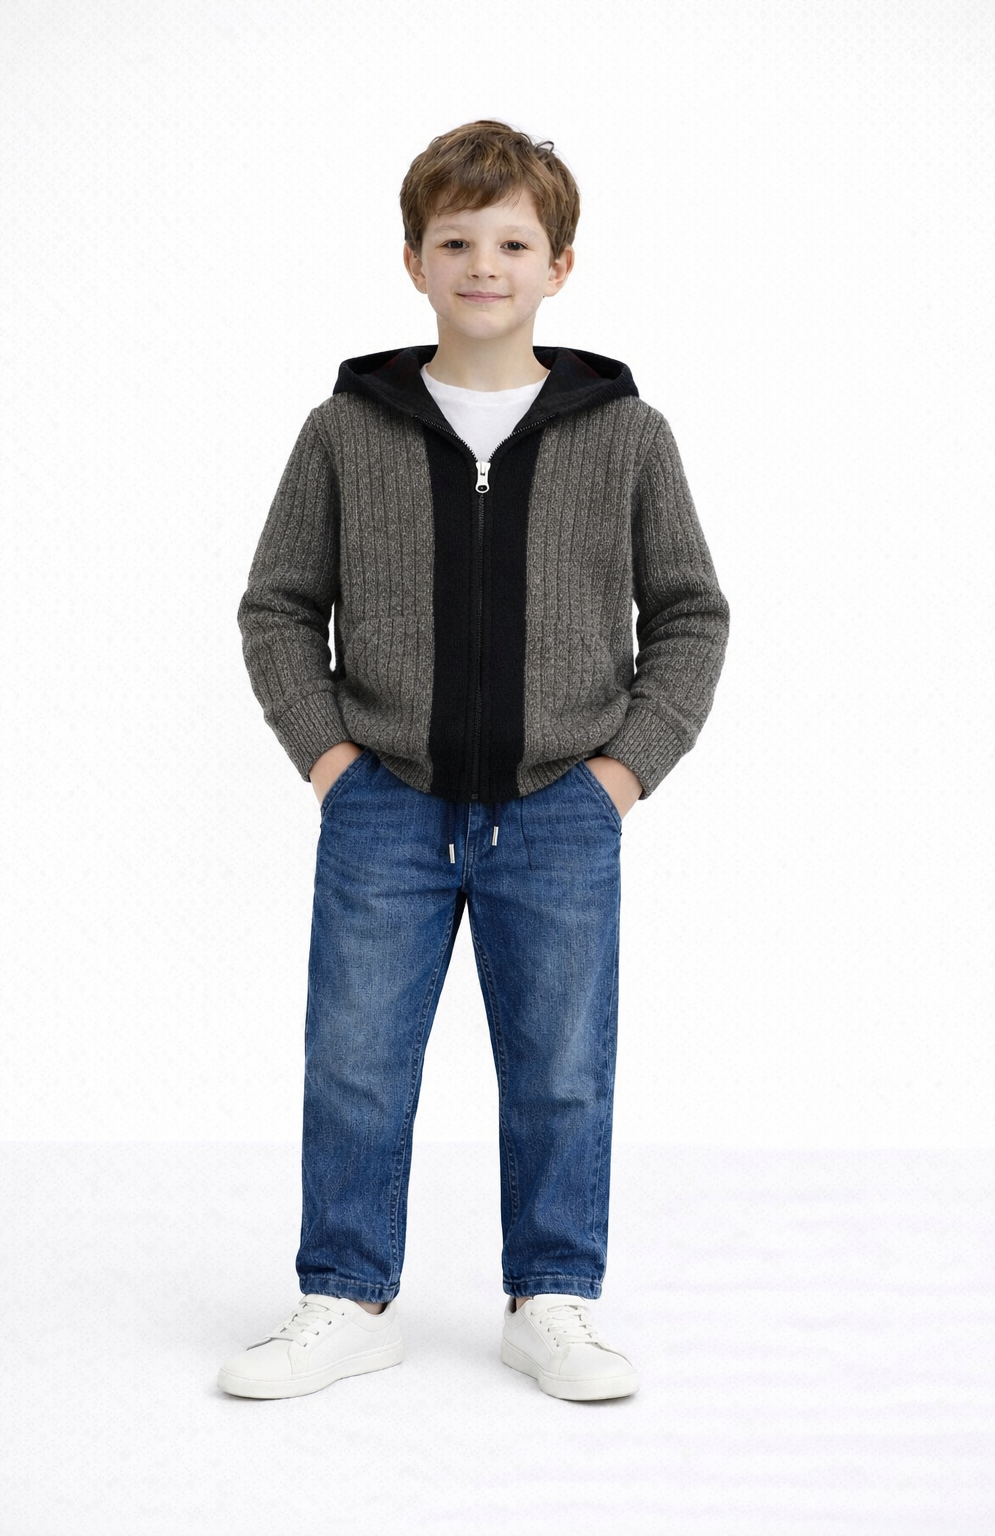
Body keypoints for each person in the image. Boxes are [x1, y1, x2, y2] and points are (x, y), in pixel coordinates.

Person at [218, 119, 729, 1403]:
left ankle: (551, 1298)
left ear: (559, 264)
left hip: (561, 806)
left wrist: (624, 772)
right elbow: (278, 606)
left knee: (560, 1070)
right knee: (353, 1061)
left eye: (511, 242)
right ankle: (346, 1298)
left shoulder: (627, 433)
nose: (483, 265)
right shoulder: (346, 428)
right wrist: (329, 760)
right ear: (413, 262)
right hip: (383, 804)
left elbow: (688, 613)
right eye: (455, 242)